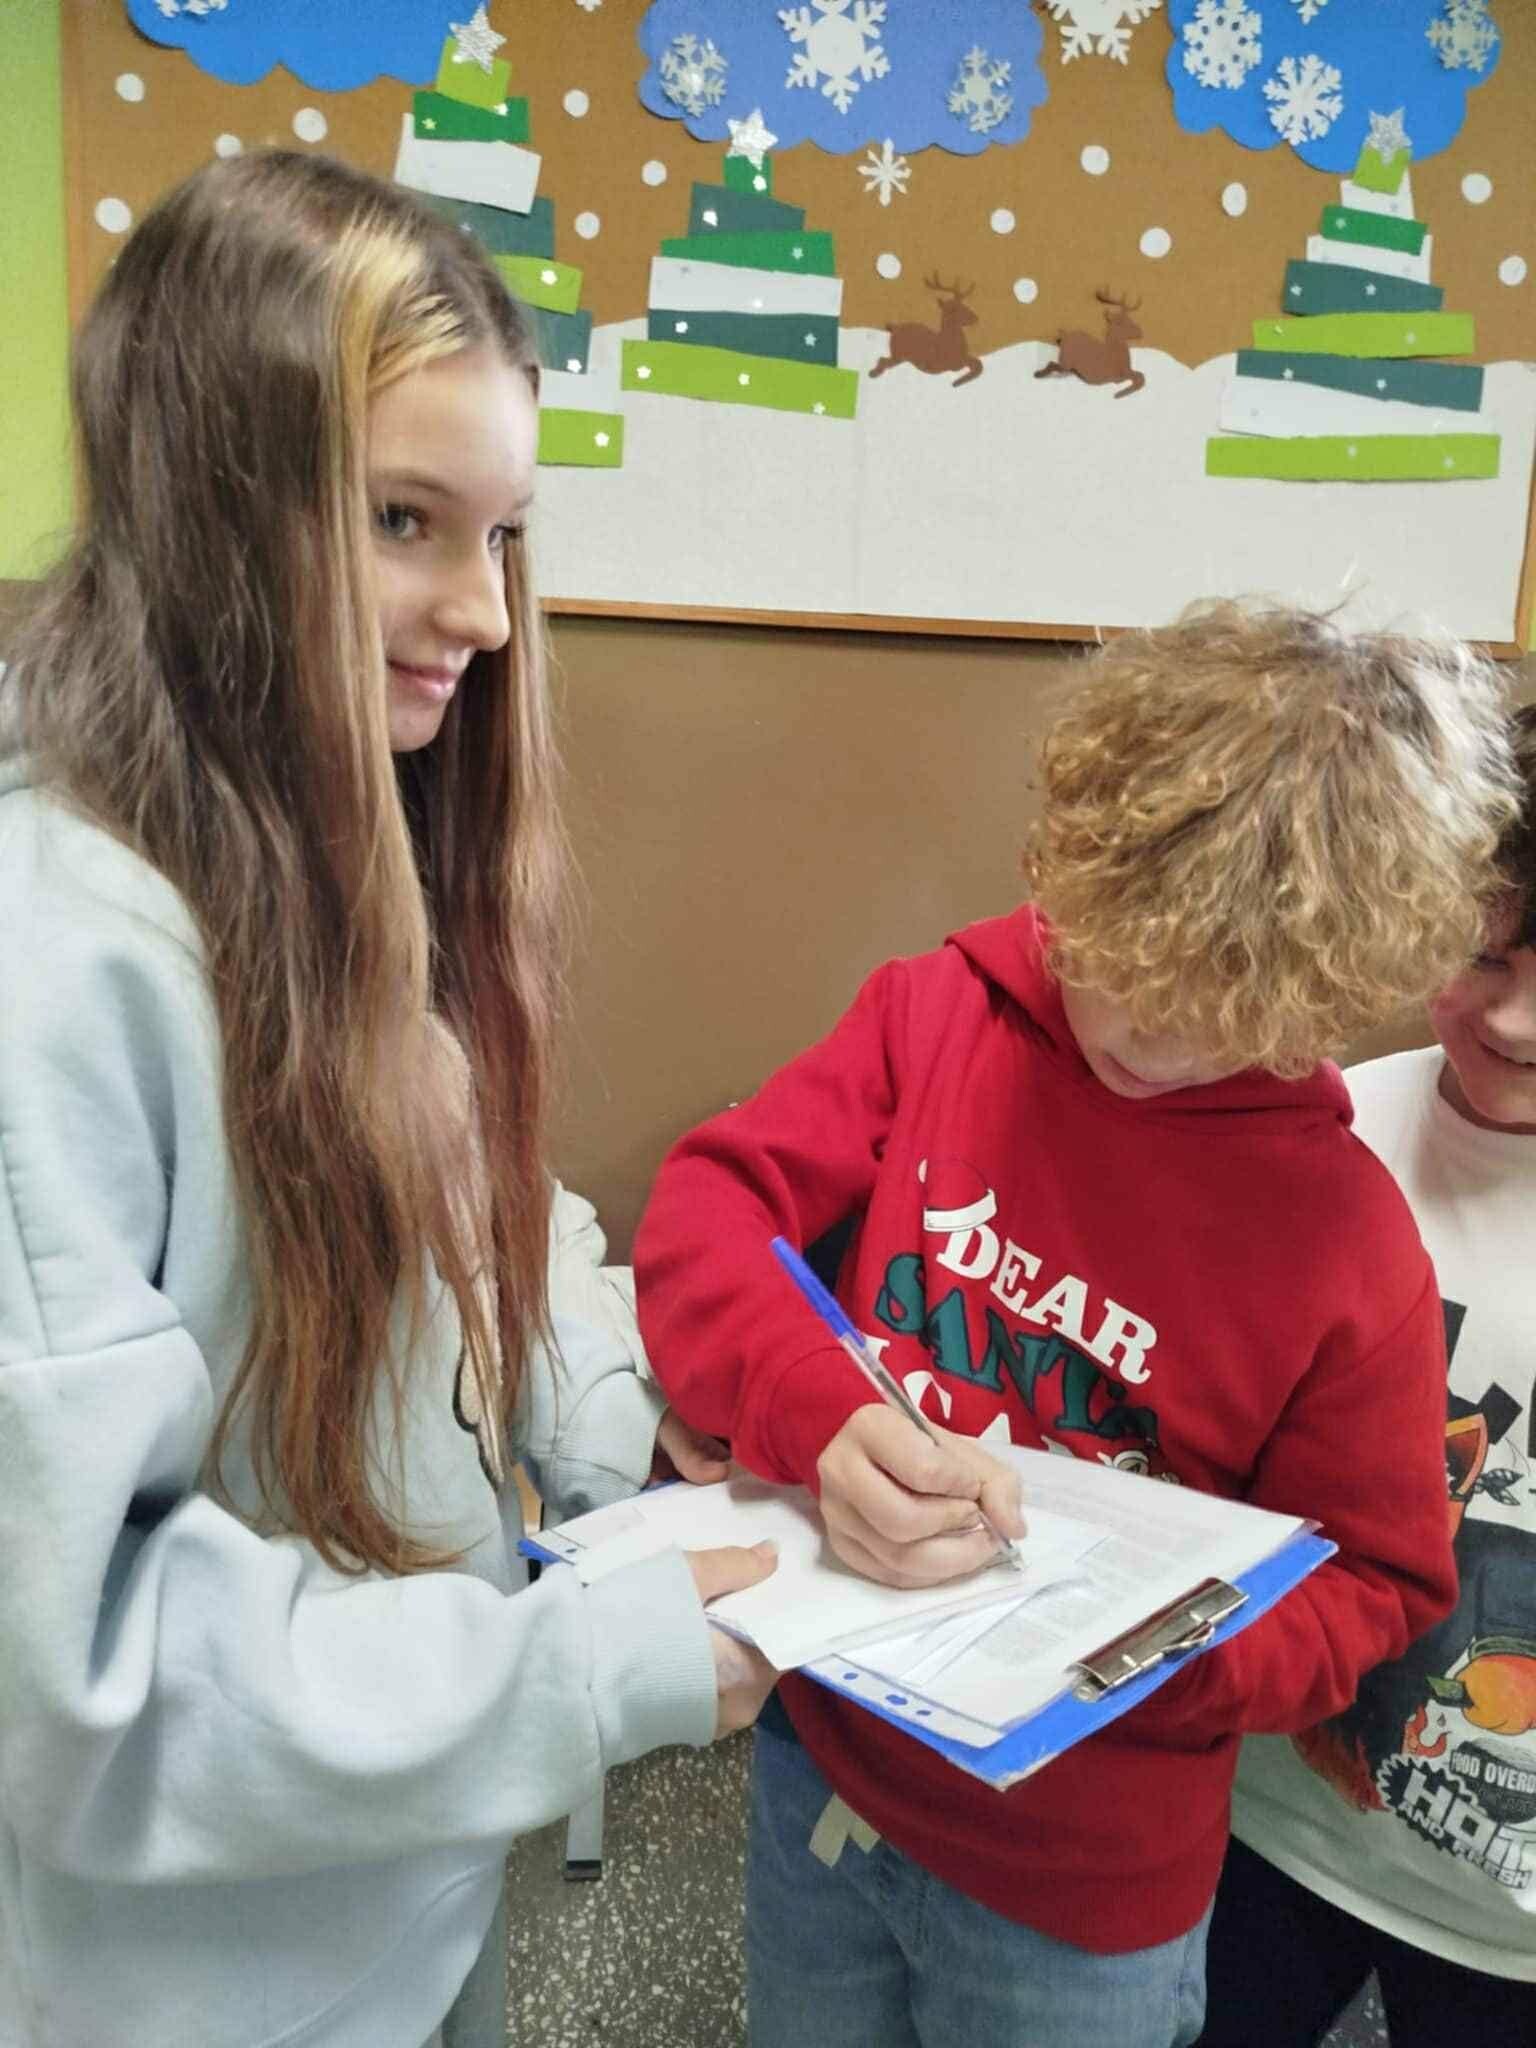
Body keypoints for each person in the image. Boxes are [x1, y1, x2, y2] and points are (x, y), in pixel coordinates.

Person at [0, 150, 775, 2048]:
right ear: (206, 504)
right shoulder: (58, 971)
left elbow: (479, 1207)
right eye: (406, 520)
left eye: (501, 534)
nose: (484, 613)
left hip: (406, 1881)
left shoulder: (335, 834)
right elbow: (83, 1675)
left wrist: (621, 1430)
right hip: (187, 1991)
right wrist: (585, 1671)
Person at [632, 603, 1520, 2048]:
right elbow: (710, 1210)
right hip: (826, 1758)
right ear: (1069, 871)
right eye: (1113, 959)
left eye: (1213, 1011)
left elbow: (1376, 1584)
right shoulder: (942, 1013)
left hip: (1081, 1883)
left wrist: (1146, 1655)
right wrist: (816, 1412)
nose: (1138, 1034)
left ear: (1316, 997)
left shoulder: (1349, 1246)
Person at [1203, 703, 1536, 2048]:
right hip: (1271, 1827)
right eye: (1485, 952)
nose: (1513, 1018)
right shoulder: (1323, 1132)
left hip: (1513, 1920)